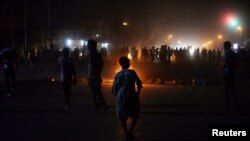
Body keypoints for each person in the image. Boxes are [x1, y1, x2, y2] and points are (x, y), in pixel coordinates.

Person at [112, 56, 142, 140]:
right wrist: (137, 93)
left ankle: (126, 132)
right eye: (129, 62)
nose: (130, 63)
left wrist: (118, 99)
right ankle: (130, 131)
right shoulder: (132, 72)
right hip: (131, 95)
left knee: (123, 117)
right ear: (127, 63)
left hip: (120, 97)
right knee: (135, 114)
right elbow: (139, 83)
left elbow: (114, 90)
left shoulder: (117, 74)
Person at [87, 39, 108, 113]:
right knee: (98, 91)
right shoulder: (96, 54)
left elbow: (94, 66)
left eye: (88, 44)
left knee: (93, 92)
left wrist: (96, 76)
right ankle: (103, 105)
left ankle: (97, 107)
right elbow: (101, 64)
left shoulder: (92, 55)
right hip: (94, 75)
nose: (87, 46)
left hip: (93, 76)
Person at [223, 41, 238, 107]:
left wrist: (224, 68)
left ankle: (228, 102)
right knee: (233, 87)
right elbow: (237, 63)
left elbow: (226, 62)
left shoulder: (227, 53)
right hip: (232, 71)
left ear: (226, 46)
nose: (223, 47)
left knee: (226, 87)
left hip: (227, 71)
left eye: (224, 46)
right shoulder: (234, 53)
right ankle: (235, 102)